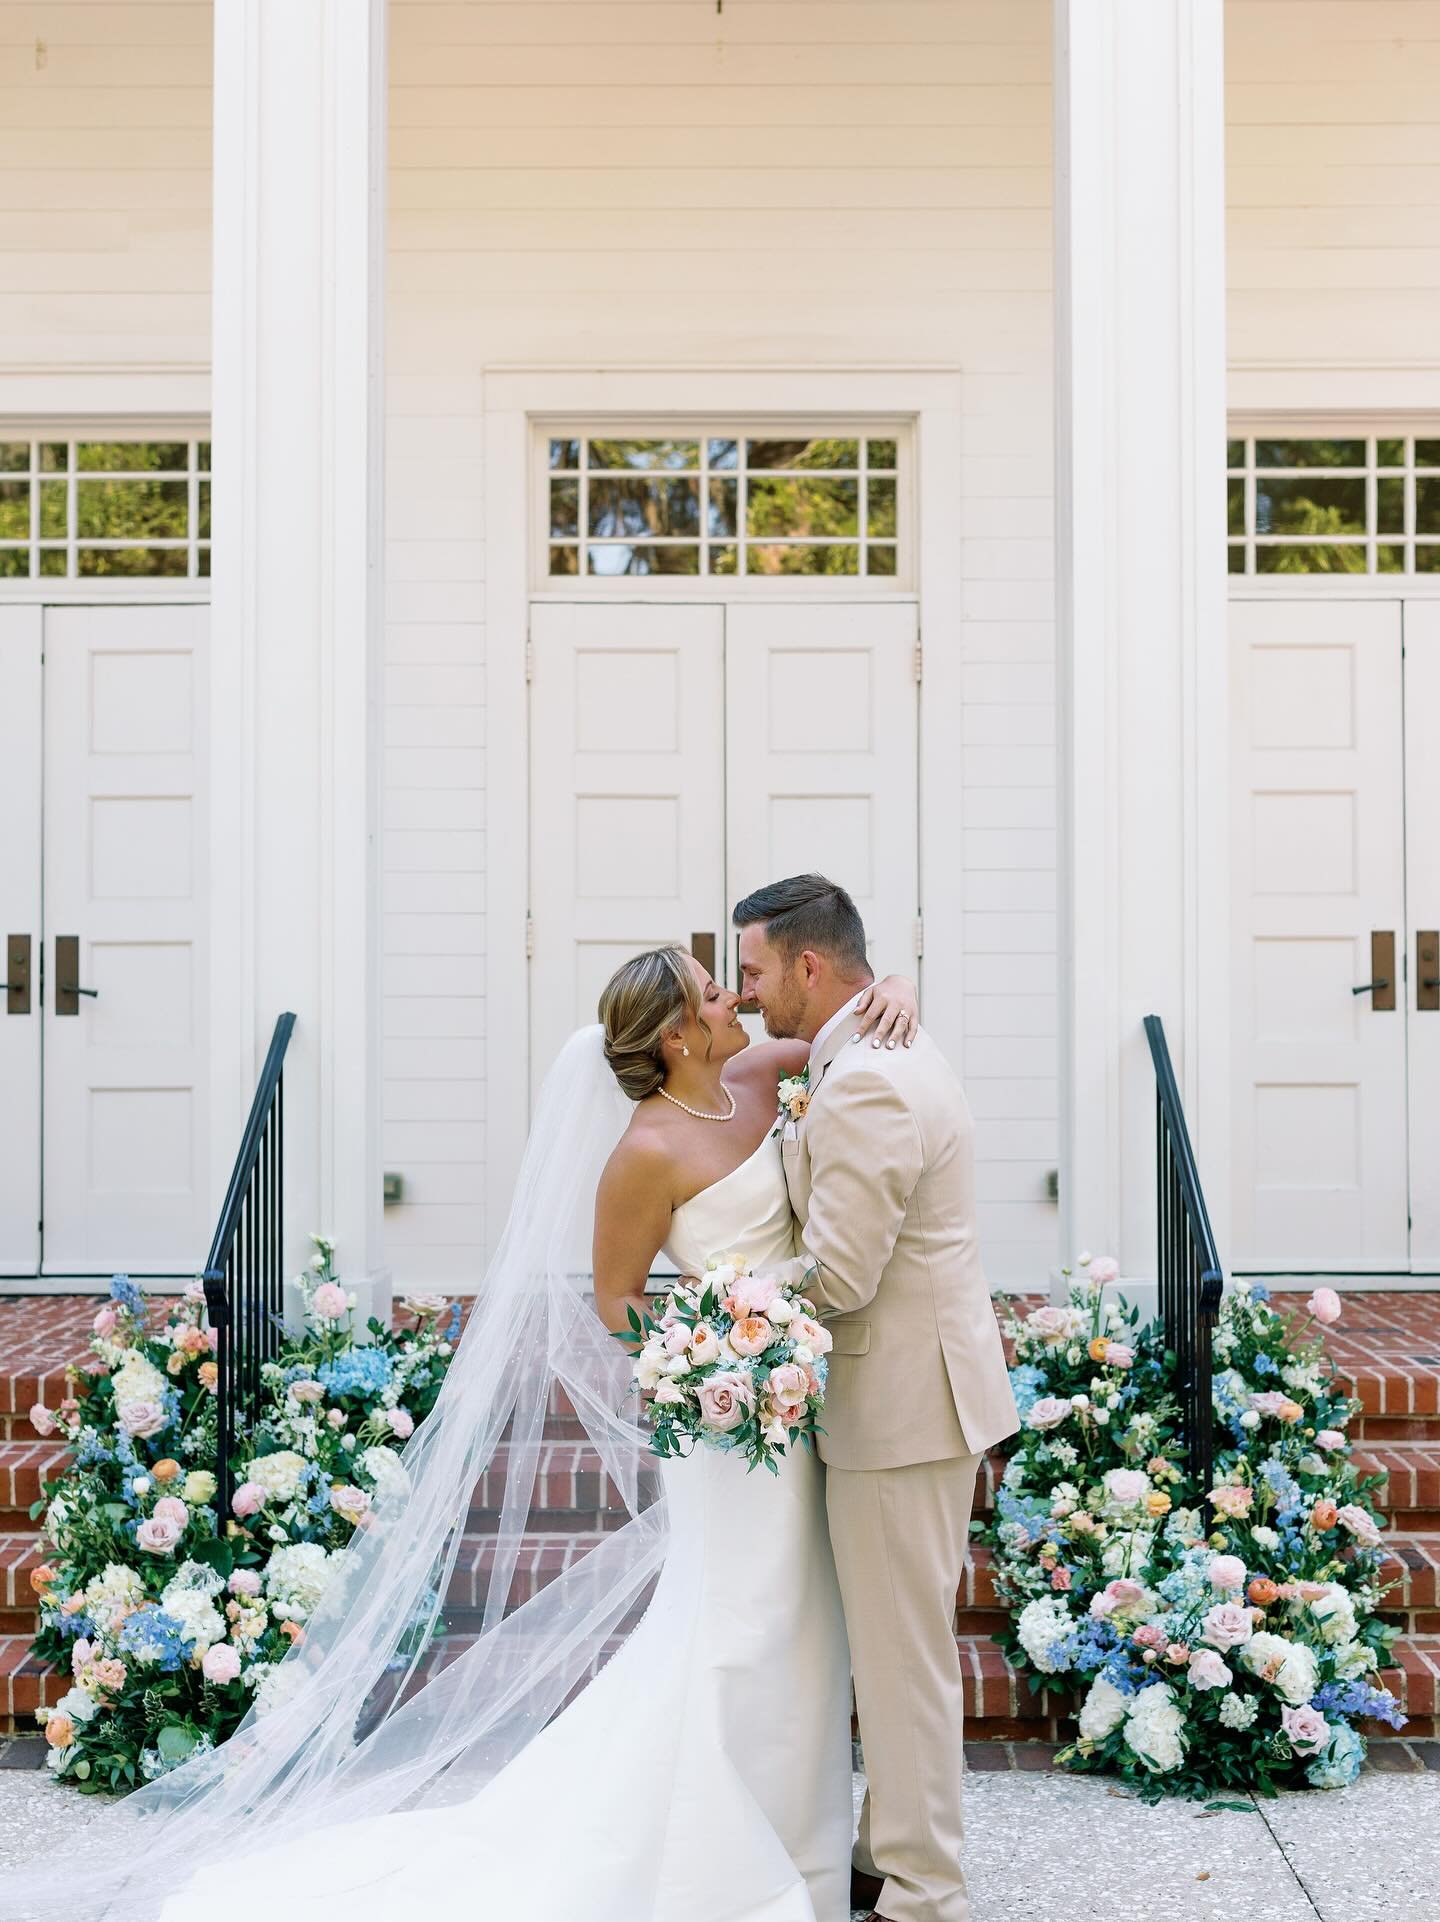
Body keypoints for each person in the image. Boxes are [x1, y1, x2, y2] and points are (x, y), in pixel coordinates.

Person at [1, 945, 919, 1922]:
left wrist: (891, 991)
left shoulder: (751, 1073)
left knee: (800, 1622)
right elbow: (615, 1302)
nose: (734, 995)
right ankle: (719, 1863)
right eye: (710, 990)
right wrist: (703, 1368)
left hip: (790, 1408)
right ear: (676, 1031)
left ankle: (801, 1848)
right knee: (735, 1628)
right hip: (723, 1424)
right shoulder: (643, 1154)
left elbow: (834, 1031)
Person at [734, 875, 1019, 1922]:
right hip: (907, 1393)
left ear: (812, 966)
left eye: (757, 971)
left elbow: (842, 1274)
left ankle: (924, 1893)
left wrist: (725, 1308)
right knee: (896, 1649)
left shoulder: (866, 1080)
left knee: (903, 1664)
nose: (748, 992)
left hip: (901, 1405)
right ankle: (879, 1843)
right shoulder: (866, 1043)